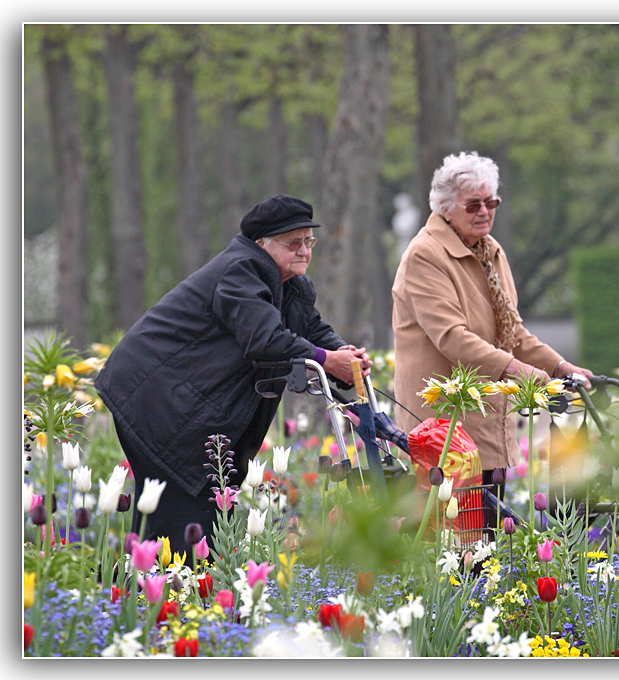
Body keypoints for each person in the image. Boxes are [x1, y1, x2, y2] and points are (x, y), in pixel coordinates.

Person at [95, 194, 372, 556]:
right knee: (185, 516)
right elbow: (266, 340)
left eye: (309, 241)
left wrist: (345, 355)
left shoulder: (291, 283)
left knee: (190, 514)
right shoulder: (240, 271)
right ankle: (167, 600)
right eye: (294, 243)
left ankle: (156, 597)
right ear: (263, 245)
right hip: (159, 402)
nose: (305, 250)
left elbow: (311, 329)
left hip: (181, 402)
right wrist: (325, 358)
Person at [391, 151, 593, 512]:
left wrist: (560, 367)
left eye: (491, 202)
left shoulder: (491, 251)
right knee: (454, 546)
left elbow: (512, 331)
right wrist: (525, 374)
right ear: (445, 208)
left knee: (486, 544)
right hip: (445, 425)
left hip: (489, 421)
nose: (484, 211)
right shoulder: (426, 255)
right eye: (473, 205)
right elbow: (452, 337)